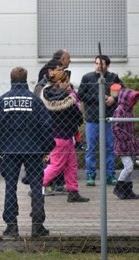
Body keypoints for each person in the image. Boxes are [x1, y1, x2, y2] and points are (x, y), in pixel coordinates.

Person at [0, 66, 55, 237]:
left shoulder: (2, 101)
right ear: (26, 79)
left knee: (10, 186)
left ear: (11, 79)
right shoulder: (35, 101)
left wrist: (0, 149)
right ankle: (37, 225)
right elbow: (47, 126)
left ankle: (11, 225)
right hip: (33, 150)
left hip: (10, 151)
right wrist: (46, 148)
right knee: (36, 186)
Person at [40, 70, 90, 203]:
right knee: (56, 165)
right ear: (60, 83)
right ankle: (38, 184)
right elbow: (78, 117)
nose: (68, 84)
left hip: (56, 135)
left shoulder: (46, 96)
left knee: (71, 164)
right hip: (63, 137)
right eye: (66, 81)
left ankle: (73, 191)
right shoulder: (68, 98)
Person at [78, 55, 122, 186]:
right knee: (91, 148)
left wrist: (113, 99)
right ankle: (90, 175)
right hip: (92, 119)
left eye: (101, 64)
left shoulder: (113, 77)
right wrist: (98, 97)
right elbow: (80, 94)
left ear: (107, 65)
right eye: (96, 63)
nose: (98, 66)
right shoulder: (87, 77)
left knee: (109, 147)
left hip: (109, 118)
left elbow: (121, 91)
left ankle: (110, 174)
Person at [112, 88, 139, 199]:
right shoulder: (120, 110)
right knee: (129, 167)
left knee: (129, 167)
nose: (135, 102)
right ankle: (118, 188)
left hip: (129, 143)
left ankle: (127, 191)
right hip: (122, 144)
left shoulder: (129, 111)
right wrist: (123, 139)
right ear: (127, 99)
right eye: (133, 99)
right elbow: (115, 127)